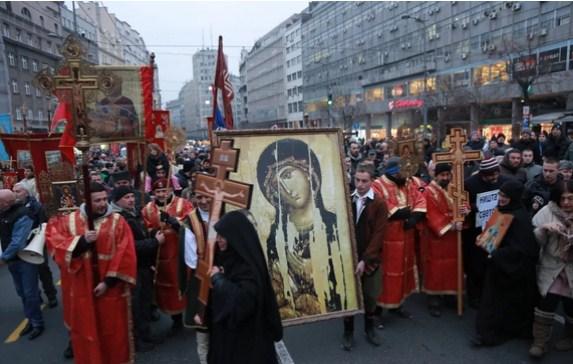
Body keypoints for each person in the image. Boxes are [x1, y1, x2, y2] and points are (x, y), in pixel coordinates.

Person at [45, 183, 137, 364]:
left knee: (113, 333)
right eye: (97, 200)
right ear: (86, 200)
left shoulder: (118, 222)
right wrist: (81, 242)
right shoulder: (69, 221)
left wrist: (108, 283)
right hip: (81, 289)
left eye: (104, 199)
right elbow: (55, 244)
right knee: (87, 331)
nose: (103, 204)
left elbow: (125, 254)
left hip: (110, 290)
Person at [256, 138, 347, 318]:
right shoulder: (277, 236)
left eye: (288, 175)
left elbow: (346, 274)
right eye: (276, 185)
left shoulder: (335, 225)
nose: (286, 189)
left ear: (307, 172)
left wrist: (316, 270)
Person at [205, 210, 283, 364]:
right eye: (218, 235)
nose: (218, 240)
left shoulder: (248, 266)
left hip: (248, 344)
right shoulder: (227, 258)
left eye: (223, 236)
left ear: (235, 238)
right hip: (228, 340)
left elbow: (244, 302)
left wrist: (219, 280)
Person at [472, 180, 539, 347]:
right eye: (500, 195)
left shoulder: (520, 218)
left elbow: (522, 250)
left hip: (512, 271)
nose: (501, 199)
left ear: (514, 197)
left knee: (502, 304)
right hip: (499, 266)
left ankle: (492, 334)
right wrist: (484, 240)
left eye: (505, 196)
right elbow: (493, 233)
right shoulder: (502, 211)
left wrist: (496, 253)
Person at [111, 186, 164, 352]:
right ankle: (138, 340)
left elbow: (142, 234)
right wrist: (155, 243)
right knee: (136, 305)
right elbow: (129, 247)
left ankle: (146, 334)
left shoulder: (134, 213)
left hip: (143, 266)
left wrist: (154, 232)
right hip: (132, 269)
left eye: (131, 196)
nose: (131, 200)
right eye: (126, 197)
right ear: (117, 200)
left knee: (145, 301)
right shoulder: (118, 219)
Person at [372, 156, 426, 318]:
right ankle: (377, 310)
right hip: (387, 240)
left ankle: (397, 304)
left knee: (403, 271)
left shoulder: (407, 182)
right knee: (386, 274)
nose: (407, 176)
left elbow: (419, 199)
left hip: (406, 236)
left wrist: (415, 218)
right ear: (394, 174)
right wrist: (405, 213)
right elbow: (384, 208)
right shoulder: (378, 185)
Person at [343, 164, 388, 350]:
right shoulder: (346, 199)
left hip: (369, 258)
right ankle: (348, 332)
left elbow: (379, 235)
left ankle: (369, 329)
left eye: (364, 181)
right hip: (348, 257)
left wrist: (365, 259)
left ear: (372, 181)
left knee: (370, 296)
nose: (360, 184)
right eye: (357, 180)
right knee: (349, 297)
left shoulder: (379, 203)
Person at [141, 177, 194, 334]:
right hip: (161, 255)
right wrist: (153, 232)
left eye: (165, 190)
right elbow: (145, 230)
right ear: (153, 192)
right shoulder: (148, 209)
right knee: (168, 288)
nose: (162, 194)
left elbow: (192, 225)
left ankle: (192, 315)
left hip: (181, 253)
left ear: (170, 190)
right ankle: (176, 319)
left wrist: (173, 222)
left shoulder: (183, 204)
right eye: (158, 191)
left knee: (185, 283)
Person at [529, 180, 573, 358]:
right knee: (546, 303)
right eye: (563, 199)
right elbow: (536, 241)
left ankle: (569, 337)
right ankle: (539, 342)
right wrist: (545, 229)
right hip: (551, 266)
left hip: (571, 268)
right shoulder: (547, 211)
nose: (567, 203)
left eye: (571, 198)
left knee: (571, 307)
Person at [463, 157, 511, 308]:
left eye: (496, 174)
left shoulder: (504, 181)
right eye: (491, 176)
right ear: (483, 174)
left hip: (497, 227)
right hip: (475, 230)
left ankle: (489, 294)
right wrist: (476, 208)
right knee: (475, 265)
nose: (495, 178)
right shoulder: (470, 183)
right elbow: (464, 205)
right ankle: (474, 296)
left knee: (492, 263)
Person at [422, 163, 466, 317]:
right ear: (436, 175)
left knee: (452, 268)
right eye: (443, 175)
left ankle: (450, 295)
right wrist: (450, 225)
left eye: (448, 175)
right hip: (437, 237)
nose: (446, 178)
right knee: (436, 268)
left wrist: (465, 211)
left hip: (454, 238)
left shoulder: (456, 188)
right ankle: (434, 299)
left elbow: (464, 203)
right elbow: (430, 213)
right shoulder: (428, 192)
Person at [0, 189, 44, 340]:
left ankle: (37, 323)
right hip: (13, 260)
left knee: (30, 293)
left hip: (25, 259)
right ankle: (31, 319)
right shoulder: (4, 213)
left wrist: (3, 258)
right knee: (21, 292)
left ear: (6, 202)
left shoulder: (22, 214)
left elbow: (18, 242)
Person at [13, 182, 58, 308]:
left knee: (42, 270)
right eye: (14, 191)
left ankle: (51, 295)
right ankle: (36, 297)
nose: (15, 194)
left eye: (18, 191)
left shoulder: (36, 206)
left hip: (36, 242)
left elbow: (43, 224)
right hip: (21, 244)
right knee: (27, 273)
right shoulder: (14, 207)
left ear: (26, 192)